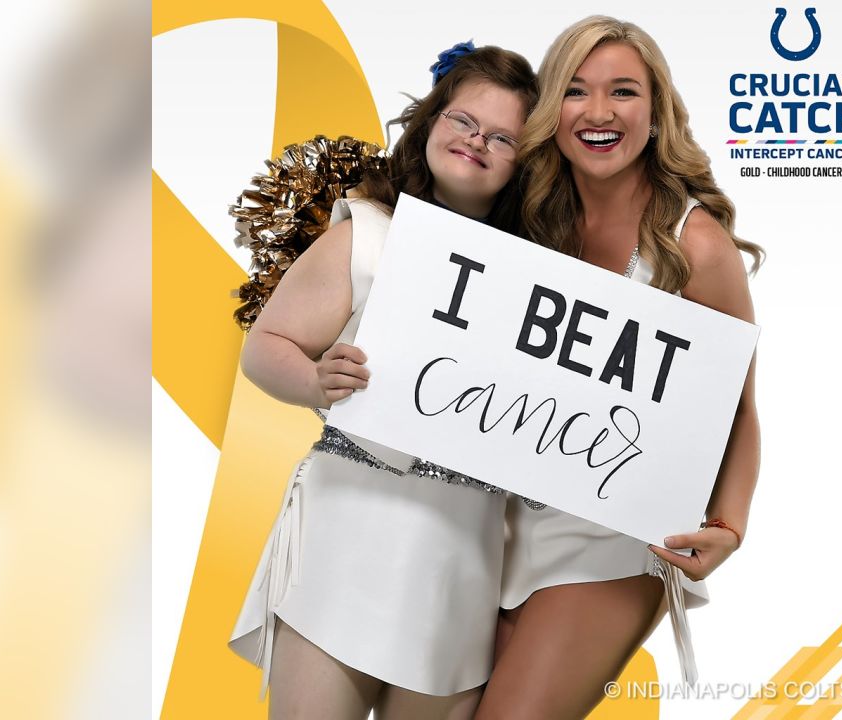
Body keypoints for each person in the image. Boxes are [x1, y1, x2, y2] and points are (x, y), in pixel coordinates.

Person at [227, 43, 537, 720]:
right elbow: (264, 347)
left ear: (528, 160)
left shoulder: (539, 282)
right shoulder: (368, 234)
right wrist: (313, 378)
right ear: (429, 125)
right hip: (346, 534)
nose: (476, 141)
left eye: (503, 136)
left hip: (461, 556)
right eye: (463, 121)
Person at [477, 17, 764, 720]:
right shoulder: (527, 216)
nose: (599, 112)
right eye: (575, 90)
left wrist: (729, 524)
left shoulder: (695, 246)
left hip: (615, 536)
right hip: (500, 523)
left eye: (623, 92)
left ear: (656, 110)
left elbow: (738, 408)